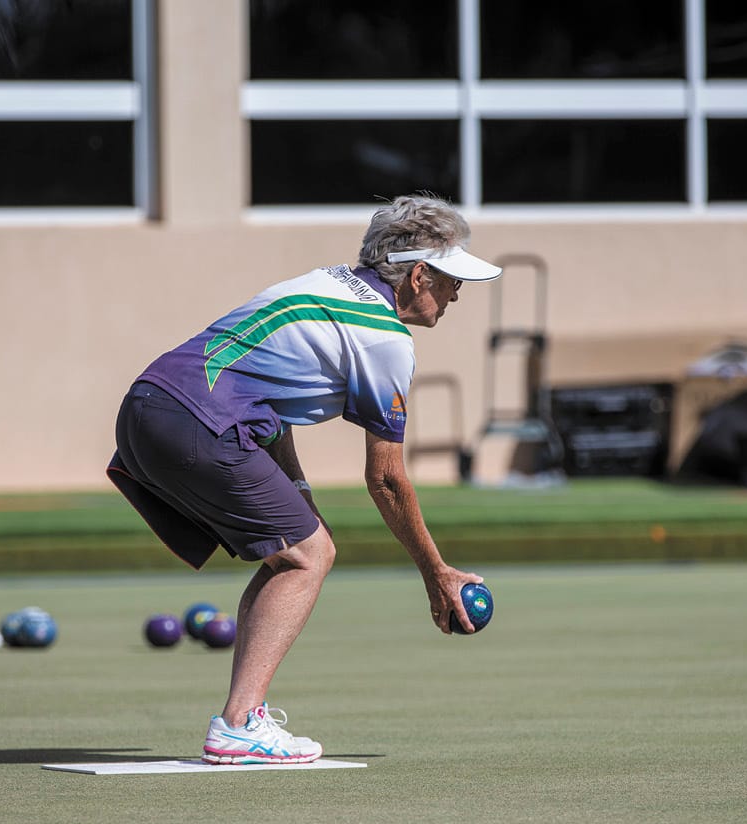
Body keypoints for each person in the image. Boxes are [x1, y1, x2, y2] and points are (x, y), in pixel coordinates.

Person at [106, 192, 501, 765]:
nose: (457, 292)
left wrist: (301, 493)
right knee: (308, 556)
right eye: (450, 278)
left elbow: (267, 402)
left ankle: (245, 717)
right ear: (418, 275)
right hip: (199, 423)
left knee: (293, 550)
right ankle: (240, 723)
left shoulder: (324, 283)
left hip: (145, 408)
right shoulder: (385, 339)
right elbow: (386, 479)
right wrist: (435, 572)